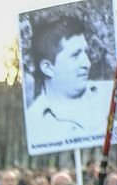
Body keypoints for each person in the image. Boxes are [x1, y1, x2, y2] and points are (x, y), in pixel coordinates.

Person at [22, 11, 112, 146]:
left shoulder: (111, 95)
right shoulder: (34, 120)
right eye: (75, 55)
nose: (87, 63)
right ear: (48, 68)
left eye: (86, 53)